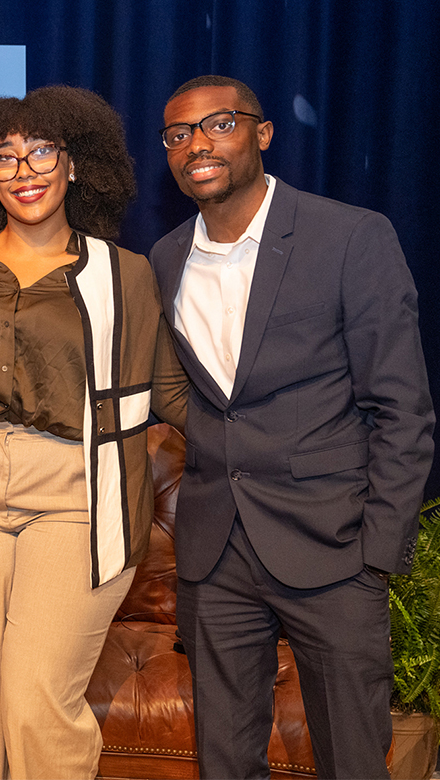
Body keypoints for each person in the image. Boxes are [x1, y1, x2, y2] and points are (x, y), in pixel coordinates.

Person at [150, 75, 434, 779]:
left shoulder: (350, 237)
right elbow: (207, 398)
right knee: (225, 759)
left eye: (218, 124)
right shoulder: (165, 259)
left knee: (352, 760)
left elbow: (402, 408)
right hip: (216, 555)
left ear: (262, 133)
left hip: (333, 550)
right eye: (179, 134)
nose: (197, 145)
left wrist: (377, 548)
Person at [0, 86, 188, 779]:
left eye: (41, 152)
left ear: (74, 163)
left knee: (38, 693)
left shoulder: (123, 274)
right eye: (5, 157)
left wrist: (278, 433)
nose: (25, 169)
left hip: (78, 493)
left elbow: (171, 390)